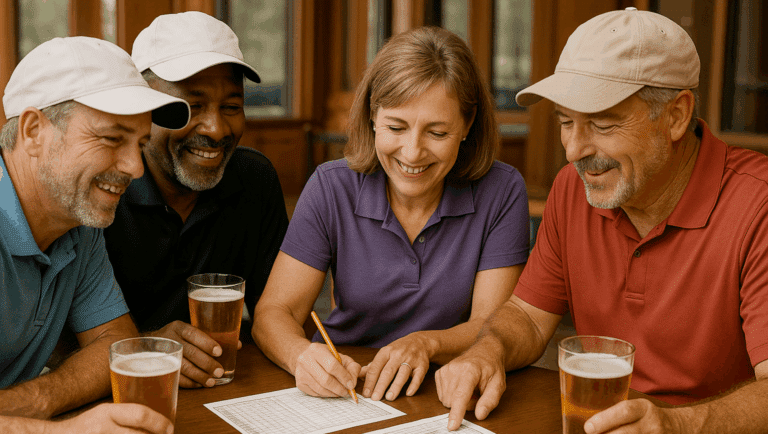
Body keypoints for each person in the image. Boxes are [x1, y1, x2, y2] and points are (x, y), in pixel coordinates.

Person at [436, 8, 768, 433]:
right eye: (565, 122)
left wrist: (677, 426)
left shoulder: (756, 206)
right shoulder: (572, 190)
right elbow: (528, 315)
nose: (574, 150)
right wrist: (489, 350)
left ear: (676, 116)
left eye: (603, 124)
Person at [253, 26, 529, 403]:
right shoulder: (331, 187)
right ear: (372, 115)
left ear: (467, 125)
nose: (412, 153)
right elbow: (274, 312)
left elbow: (492, 326)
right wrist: (300, 355)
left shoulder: (502, 190)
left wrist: (425, 343)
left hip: (447, 389)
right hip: (345, 388)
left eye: (437, 132)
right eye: (396, 127)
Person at [0, 37, 189, 433]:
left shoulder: (77, 221)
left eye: (139, 143)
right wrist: (63, 430)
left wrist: (39, 400)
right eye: (111, 138)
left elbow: (115, 342)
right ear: (34, 131)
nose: (136, 168)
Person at [103, 11, 289, 389]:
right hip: (122, 395)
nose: (217, 129)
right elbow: (58, 342)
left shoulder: (255, 179)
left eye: (232, 107)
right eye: (192, 107)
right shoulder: (105, 190)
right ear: (143, 108)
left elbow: (280, 313)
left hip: (232, 388)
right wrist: (147, 347)